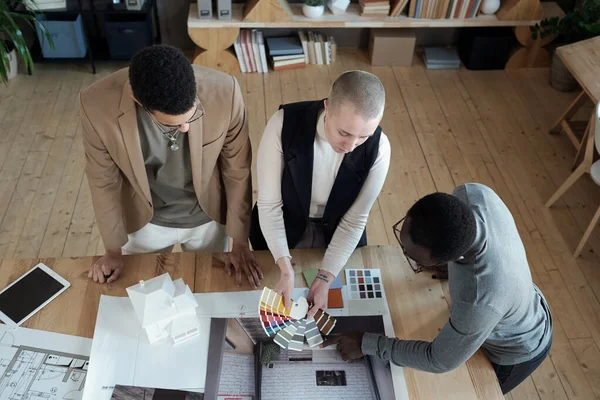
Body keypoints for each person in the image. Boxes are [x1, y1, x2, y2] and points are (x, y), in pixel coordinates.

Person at [324, 183, 553, 395]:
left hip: (514, 348)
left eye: (414, 259)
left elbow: (439, 360)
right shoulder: (473, 193)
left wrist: (366, 343)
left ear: (454, 256)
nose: (405, 256)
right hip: (514, 298)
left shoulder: (477, 300)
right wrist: (453, 266)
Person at [81, 45, 262, 287]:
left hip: (208, 217)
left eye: (191, 117)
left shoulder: (226, 93)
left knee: (212, 289)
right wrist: (113, 250)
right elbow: (103, 181)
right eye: (175, 125)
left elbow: (237, 171)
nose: (186, 128)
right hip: (145, 220)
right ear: (137, 100)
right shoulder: (95, 105)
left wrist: (240, 242)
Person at [249, 71, 391, 315]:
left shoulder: (380, 148)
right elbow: (269, 204)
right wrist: (285, 268)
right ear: (327, 107)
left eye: (363, 137)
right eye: (344, 133)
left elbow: (355, 220)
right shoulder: (282, 124)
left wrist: (325, 277)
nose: (349, 147)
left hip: (339, 230)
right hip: (281, 222)